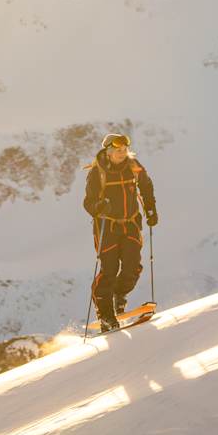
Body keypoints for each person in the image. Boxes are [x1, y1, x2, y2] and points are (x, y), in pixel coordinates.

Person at [82, 132, 158, 331]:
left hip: (131, 224)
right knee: (109, 270)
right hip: (107, 228)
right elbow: (88, 203)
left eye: (124, 150)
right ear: (108, 151)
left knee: (132, 267)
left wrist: (150, 209)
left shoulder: (134, 166)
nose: (122, 153)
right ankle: (106, 315)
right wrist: (99, 207)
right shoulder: (97, 172)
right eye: (118, 150)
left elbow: (146, 186)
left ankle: (120, 293)